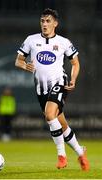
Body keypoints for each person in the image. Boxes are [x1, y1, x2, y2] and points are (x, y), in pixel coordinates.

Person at [15, 8, 89, 170]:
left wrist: (74, 79)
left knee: (50, 115)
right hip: (41, 89)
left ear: (55, 23)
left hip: (59, 82)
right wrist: (24, 65)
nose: (44, 24)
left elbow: (75, 63)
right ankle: (80, 153)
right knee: (60, 123)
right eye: (42, 21)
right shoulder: (31, 40)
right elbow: (18, 60)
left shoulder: (64, 42)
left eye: (48, 21)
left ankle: (61, 156)